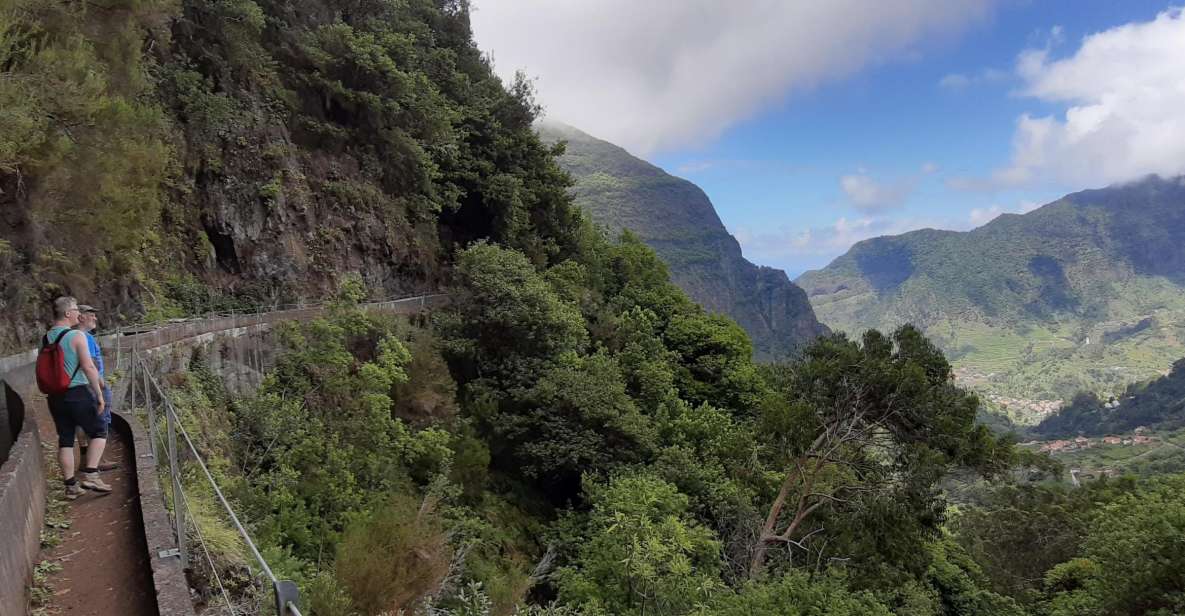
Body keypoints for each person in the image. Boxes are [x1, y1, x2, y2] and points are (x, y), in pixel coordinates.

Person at [44, 296, 111, 499]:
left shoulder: (47, 336)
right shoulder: (76, 336)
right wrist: (99, 394)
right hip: (77, 392)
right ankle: (91, 473)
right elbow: (88, 366)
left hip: (55, 396)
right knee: (99, 431)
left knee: (65, 439)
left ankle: (70, 485)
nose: (78, 313)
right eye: (75, 309)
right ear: (67, 313)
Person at [75, 304, 118, 472]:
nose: (95, 318)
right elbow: (90, 363)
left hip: (83, 386)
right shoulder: (85, 337)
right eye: (91, 314)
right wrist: (101, 384)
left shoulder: (74, 336)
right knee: (100, 423)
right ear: (81, 316)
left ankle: (87, 459)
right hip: (93, 385)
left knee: (88, 423)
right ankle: (96, 462)